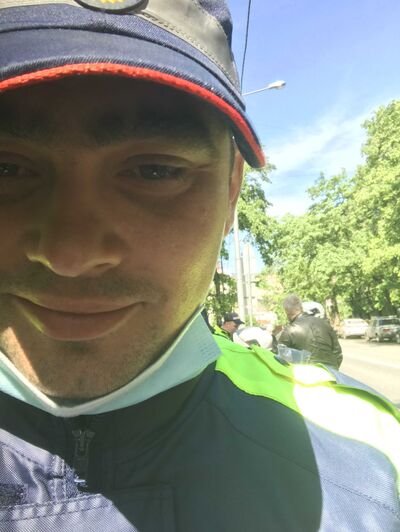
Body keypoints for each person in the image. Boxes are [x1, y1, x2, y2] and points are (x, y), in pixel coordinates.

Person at [0, 1, 398, 530]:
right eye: (6, 169)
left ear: (231, 191)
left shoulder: (377, 454)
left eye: (155, 171)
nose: (70, 256)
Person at [278, 294, 343, 369]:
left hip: (305, 373)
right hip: (329, 372)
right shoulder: (325, 324)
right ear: (301, 307)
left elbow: (281, 359)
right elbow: (338, 353)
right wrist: (333, 369)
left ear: (286, 311)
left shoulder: (289, 330)